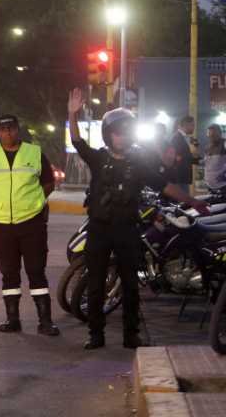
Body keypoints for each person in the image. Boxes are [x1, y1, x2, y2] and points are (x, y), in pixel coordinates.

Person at [67, 88, 209, 350]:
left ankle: (130, 335)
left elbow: (163, 185)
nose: (120, 137)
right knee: (96, 285)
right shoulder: (98, 159)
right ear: (109, 135)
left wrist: (193, 202)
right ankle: (95, 334)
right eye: (116, 132)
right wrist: (72, 114)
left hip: (127, 230)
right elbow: (77, 142)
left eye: (124, 132)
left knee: (131, 286)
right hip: (99, 230)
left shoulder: (138, 163)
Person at [0, 114, 59, 336]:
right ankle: (13, 319)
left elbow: (49, 183)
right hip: (1, 225)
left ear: (17, 130)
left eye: (11, 129)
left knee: (36, 272)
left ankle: (45, 321)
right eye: (3, 129)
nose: (7, 133)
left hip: (31, 223)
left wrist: (35, 202)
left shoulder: (35, 153)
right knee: (9, 274)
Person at [167, 115, 199, 189]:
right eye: (192, 125)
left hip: (184, 177)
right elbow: (176, 157)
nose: (194, 127)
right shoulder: (176, 138)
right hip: (179, 177)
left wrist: (198, 159)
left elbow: (191, 156)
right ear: (186, 125)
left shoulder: (190, 139)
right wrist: (192, 154)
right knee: (181, 199)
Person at [205, 124, 226, 191]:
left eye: (213, 135)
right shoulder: (207, 147)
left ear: (220, 133)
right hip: (210, 187)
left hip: (223, 187)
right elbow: (208, 165)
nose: (211, 138)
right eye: (209, 136)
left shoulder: (224, 144)